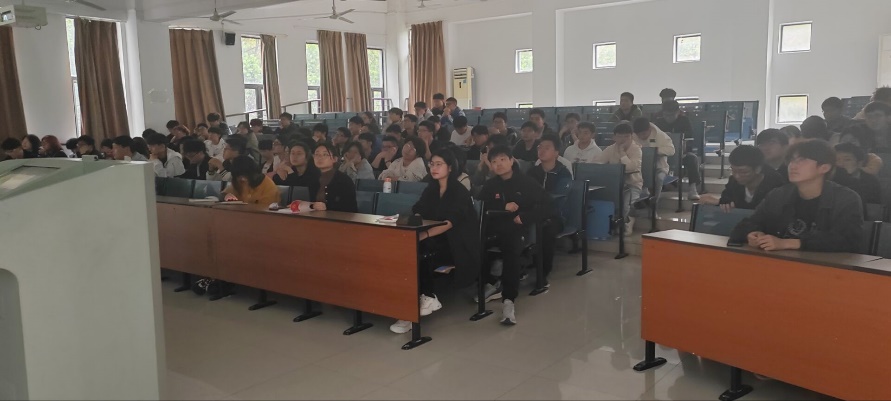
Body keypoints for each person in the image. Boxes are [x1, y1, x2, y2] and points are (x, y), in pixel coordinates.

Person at [389, 148, 481, 334]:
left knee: (419, 252)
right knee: (404, 249)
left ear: (450, 167)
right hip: (435, 239)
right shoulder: (431, 189)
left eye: (439, 164)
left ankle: (422, 301)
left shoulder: (459, 192)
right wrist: (414, 219)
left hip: (457, 243)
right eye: (432, 164)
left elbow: (450, 223)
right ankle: (409, 303)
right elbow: (418, 209)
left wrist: (424, 234)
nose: (434, 168)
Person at [730, 140, 864, 253]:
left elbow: (848, 241)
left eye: (802, 160)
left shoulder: (846, 199)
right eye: (792, 160)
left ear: (824, 168)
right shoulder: (778, 195)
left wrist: (789, 243)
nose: (793, 166)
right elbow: (746, 225)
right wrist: (752, 234)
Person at [476, 146, 554, 325]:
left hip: (517, 228)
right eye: (494, 161)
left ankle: (509, 300)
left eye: (503, 159)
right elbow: (480, 205)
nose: (499, 164)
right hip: (493, 228)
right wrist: (502, 207)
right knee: (474, 242)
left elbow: (548, 205)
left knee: (511, 251)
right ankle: (490, 282)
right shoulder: (491, 185)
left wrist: (525, 217)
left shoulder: (526, 182)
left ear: (512, 161)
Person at [525, 134, 568, 283]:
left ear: (556, 153)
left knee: (546, 229)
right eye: (540, 147)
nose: (542, 150)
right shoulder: (532, 172)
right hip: (533, 212)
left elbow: (558, 200)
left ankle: (543, 273)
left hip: (555, 216)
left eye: (547, 148)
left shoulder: (563, 173)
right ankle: (520, 267)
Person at [699, 145, 785, 211]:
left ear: (758, 169)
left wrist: (718, 202)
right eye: (733, 170)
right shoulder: (733, 182)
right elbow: (726, 198)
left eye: (743, 172)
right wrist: (723, 203)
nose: (737, 176)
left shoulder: (775, 185)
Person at [594, 123, 643, 236]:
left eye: (626, 136)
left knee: (626, 204)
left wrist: (622, 153)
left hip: (632, 184)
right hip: (614, 184)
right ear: (614, 137)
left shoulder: (636, 150)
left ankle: (627, 224)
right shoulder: (610, 149)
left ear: (631, 136)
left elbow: (630, 167)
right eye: (620, 136)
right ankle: (610, 225)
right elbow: (597, 163)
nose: (623, 139)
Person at [654, 100, 702, 200]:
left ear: (678, 112)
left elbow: (690, 135)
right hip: (662, 155)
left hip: (681, 152)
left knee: (692, 159)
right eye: (666, 115)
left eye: (671, 115)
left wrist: (676, 136)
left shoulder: (684, 121)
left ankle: (692, 188)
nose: (668, 118)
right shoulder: (659, 122)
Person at [632, 117, 676, 203]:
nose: (641, 137)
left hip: (659, 168)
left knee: (659, 178)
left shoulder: (660, 135)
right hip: (640, 168)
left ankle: (655, 201)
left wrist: (655, 151)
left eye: (643, 134)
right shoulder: (633, 136)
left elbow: (671, 150)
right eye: (639, 135)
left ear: (649, 129)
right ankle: (639, 199)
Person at [309, 143, 358, 212]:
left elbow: (349, 207)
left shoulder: (344, 180)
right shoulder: (312, 178)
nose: (320, 157)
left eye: (325, 154)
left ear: (335, 159)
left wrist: (327, 207)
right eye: (317, 154)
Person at [832, 142, 882, 208]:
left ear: (859, 163)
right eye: (836, 160)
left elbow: (873, 208)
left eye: (847, 160)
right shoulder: (830, 179)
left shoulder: (871, 181)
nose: (840, 164)